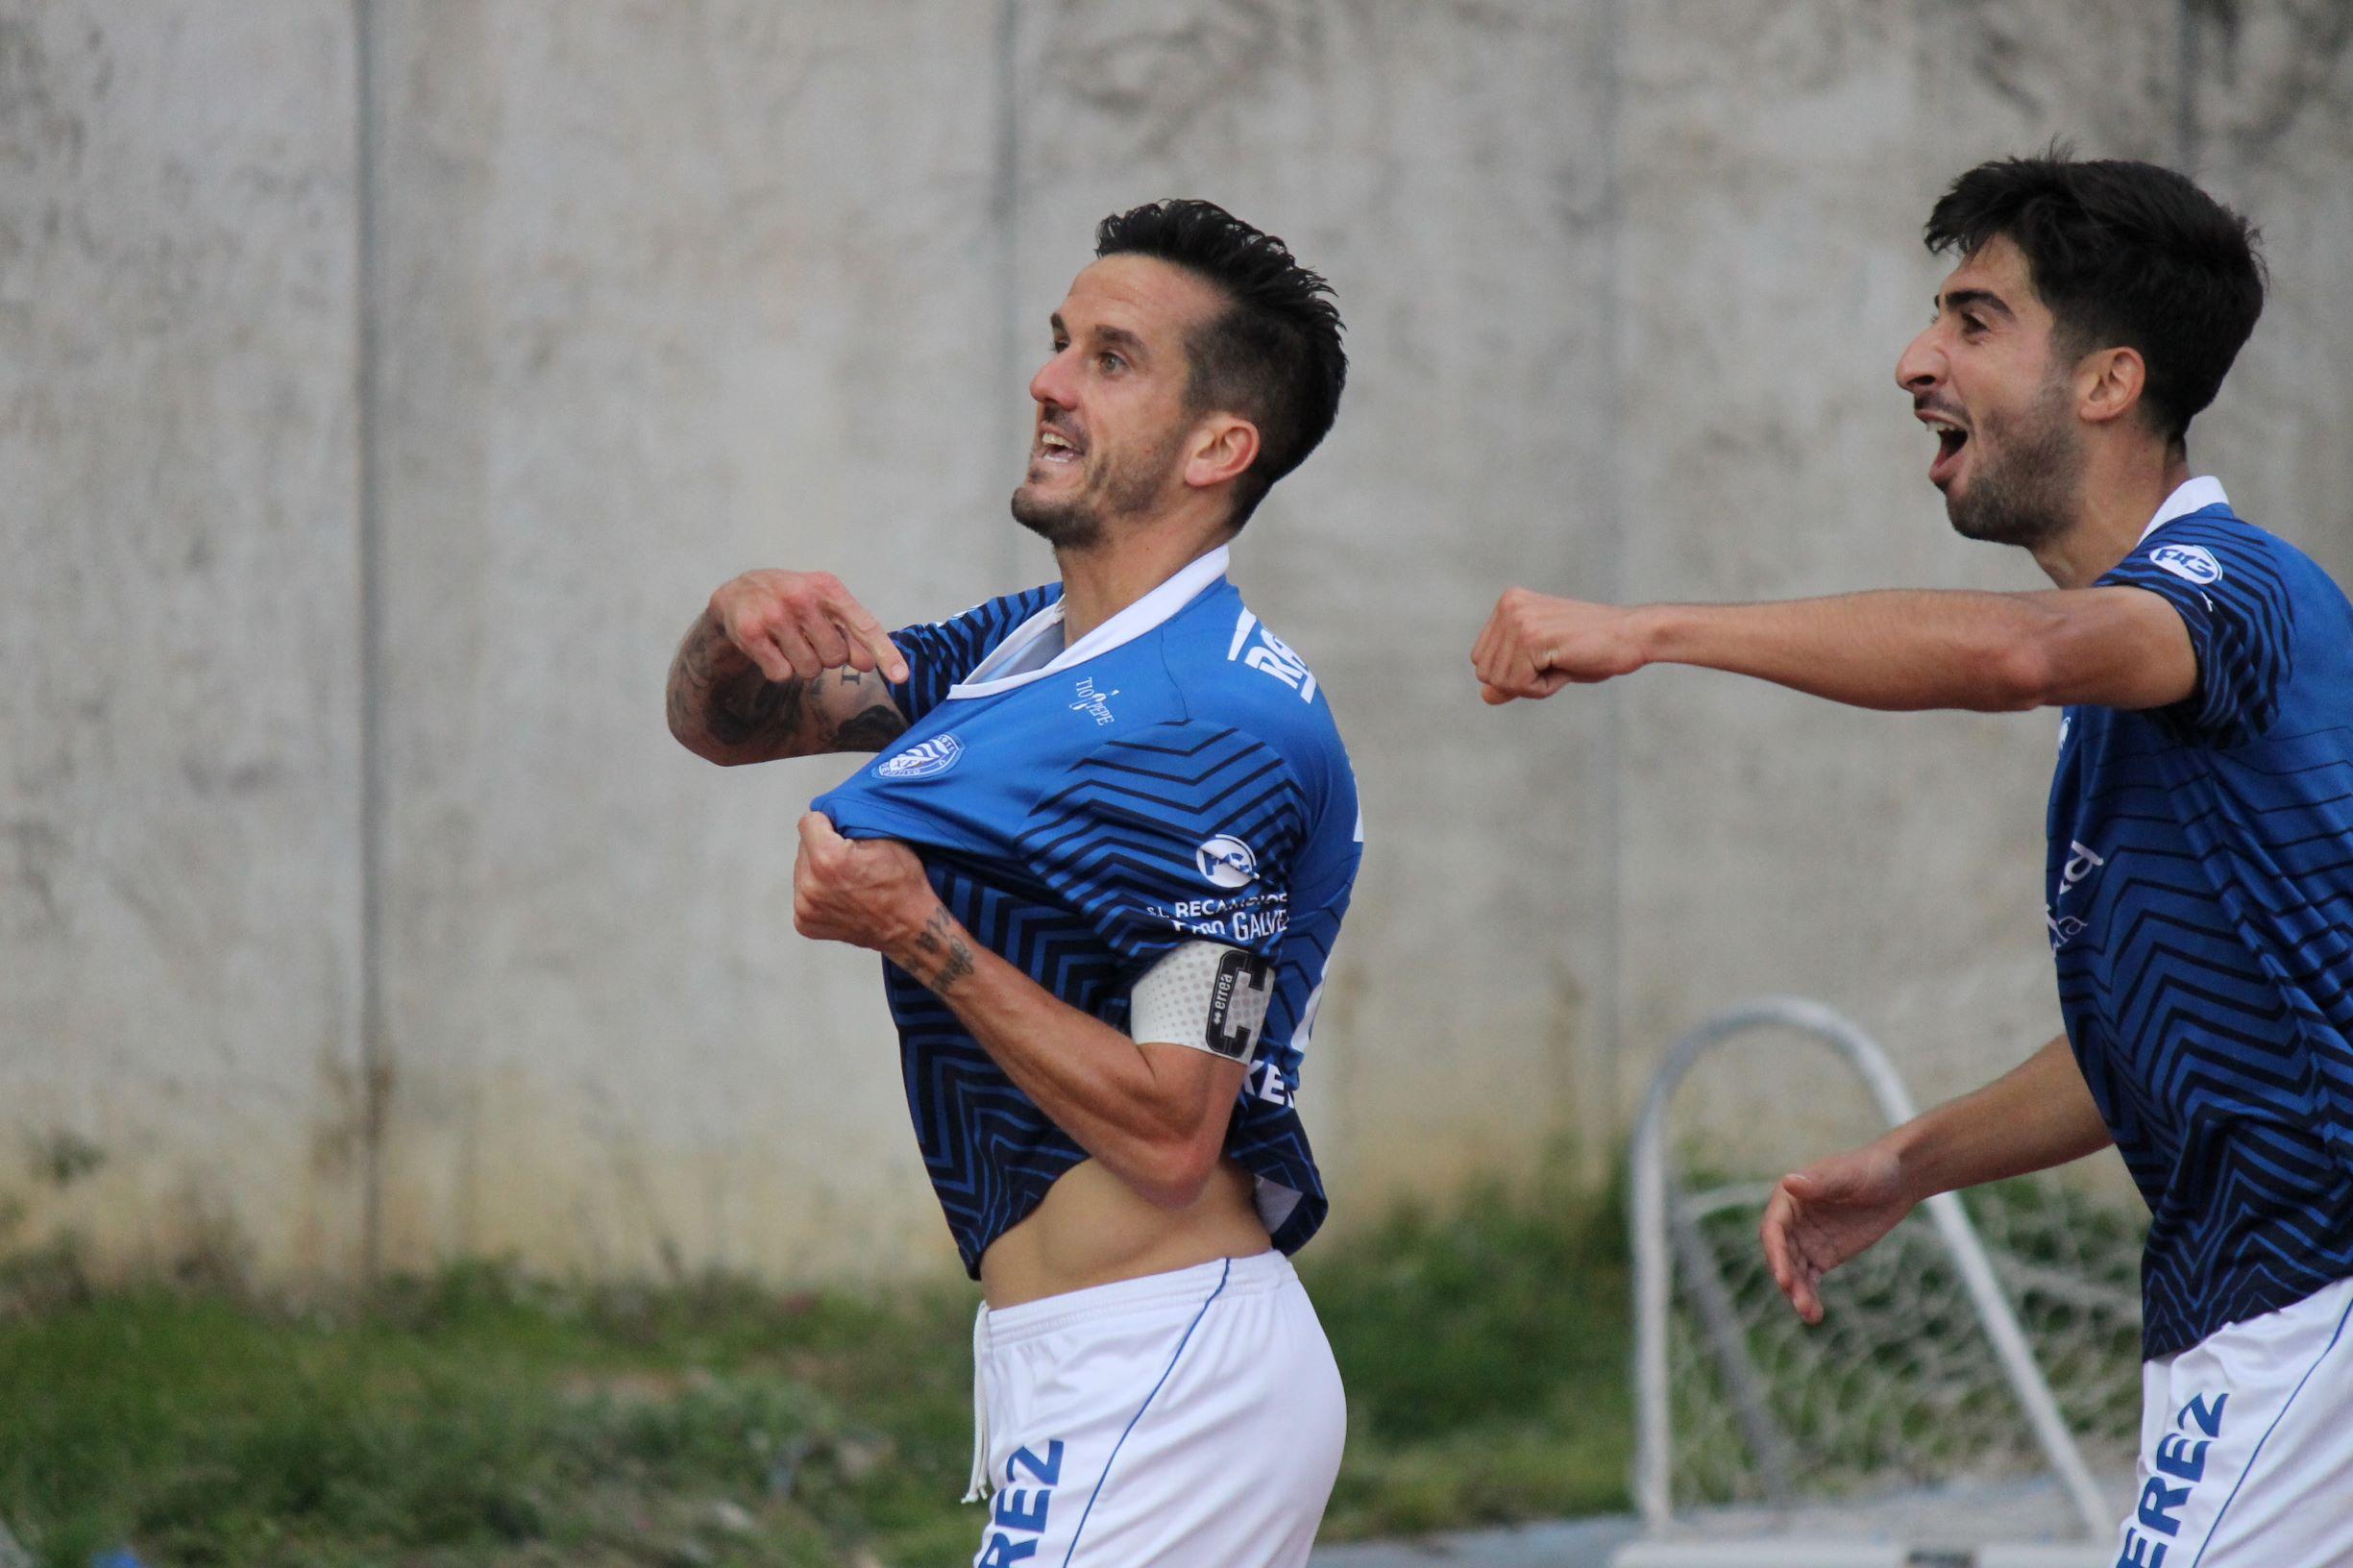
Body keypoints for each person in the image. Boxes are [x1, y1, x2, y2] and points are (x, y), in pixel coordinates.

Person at [1474, 153, 2352, 1564]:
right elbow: (2163, 1035)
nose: (1913, 359)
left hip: (2312, 1294)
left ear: (2108, 382)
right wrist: (1910, 1161)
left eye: (1973, 319)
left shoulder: (2225, 592)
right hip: (2250, 1309)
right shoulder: (2137, 693)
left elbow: (2012, 655)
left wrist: (1648, 632)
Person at [667, 199, 1360, 1568]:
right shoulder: (1025, 648)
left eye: (1109, 359)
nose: (1045, 381)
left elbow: (1173, 1136)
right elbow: (729, 725)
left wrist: (917, 935)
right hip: (1075, 1363)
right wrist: (732, 618)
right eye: (1057, 344)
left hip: (1167, 1374)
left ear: (1219, 446)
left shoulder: (1205, 730)